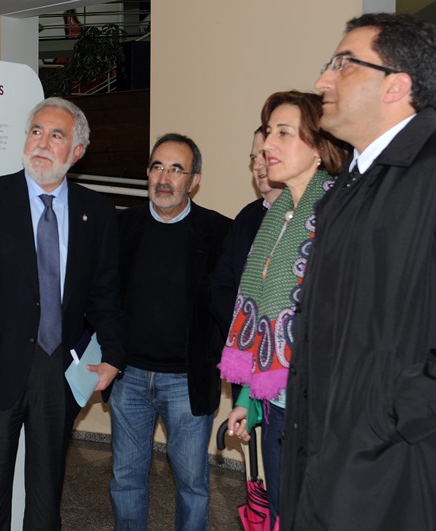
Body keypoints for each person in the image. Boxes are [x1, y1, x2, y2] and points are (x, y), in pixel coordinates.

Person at [281, 13, 436, 530]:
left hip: (397, 464)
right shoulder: (352, 182)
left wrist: (400, 411)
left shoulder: (428, 173)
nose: (322, 80)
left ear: (397, 85)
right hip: (329, 453)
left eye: (343, 64)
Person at [0, 97, 125, 531]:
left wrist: (114, 356)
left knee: (46, 500)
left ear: (76, 151)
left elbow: (105, 293)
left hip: (57, 371)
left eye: (56, 135)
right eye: (36, 131)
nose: (42, 143)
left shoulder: (97, 212)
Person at [219, 91, 349, 529]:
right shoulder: (277, 218)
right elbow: (265, 322)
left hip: (322, 411)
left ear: (318, 146)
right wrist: (247, 400)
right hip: (277, 407)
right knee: (280, 513)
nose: (268, 144)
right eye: (268, 131)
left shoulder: (339, 213)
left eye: (284, 133)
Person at [109, 133, 231, 531]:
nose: (164, 178)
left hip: (187, 381)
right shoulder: (121, 226)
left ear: (194, 181)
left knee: (192, 484)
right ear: (147, 173)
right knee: (125, 479)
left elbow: (232, 306)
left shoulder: (219, 232)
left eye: (177, 169)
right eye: (157, 167)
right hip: (128, 377)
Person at [210, 127, 284, 404]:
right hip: (246, 359)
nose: (257, 165)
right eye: (253, 158)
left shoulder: (314, 214)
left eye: (265, 155)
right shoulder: (247, 218)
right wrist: (249, 334)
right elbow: (221, 287)